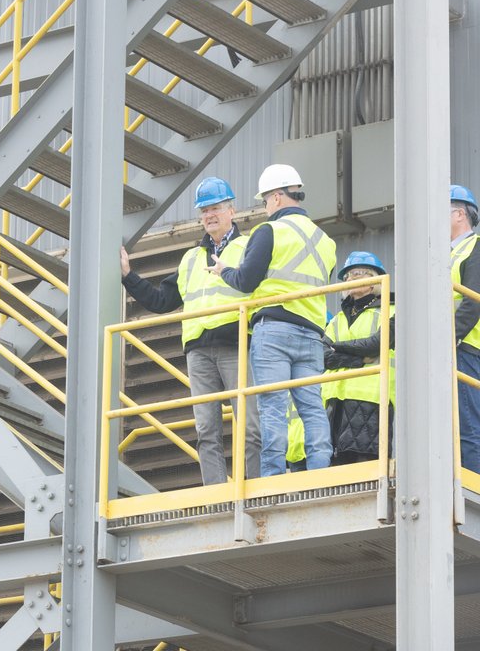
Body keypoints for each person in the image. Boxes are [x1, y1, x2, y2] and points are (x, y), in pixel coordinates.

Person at [120, 176, 261, 484]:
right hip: (198, 351)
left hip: (236, 345)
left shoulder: (249, 247)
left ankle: (258, 488)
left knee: (250, 425)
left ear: (232, 211)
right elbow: (161, 301)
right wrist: (129, 276)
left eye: (215, 208)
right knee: (206, 430)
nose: (209, 215)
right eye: (204, 211)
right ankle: (215, 495)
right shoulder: (191, 259)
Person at [209, 164, 335, 476]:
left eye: (265, 200)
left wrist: (223, 271)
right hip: (312, 334)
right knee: (311, 406)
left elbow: (246, 281)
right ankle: (321, 469)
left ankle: (273, 476)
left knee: (273, 406)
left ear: (277, 197)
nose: (265, 207)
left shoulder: (269, 231)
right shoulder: (325, 240)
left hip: (274, 331)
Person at [321, 251, 396, 465]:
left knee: (367, 463)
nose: (350, 279)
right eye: (347, 276)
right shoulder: (337, 319)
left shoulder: (390, 311)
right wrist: (358, 360)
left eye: (359, 274)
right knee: (337, 465)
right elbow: (322, 356)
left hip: (372, 398)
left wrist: (337, 348)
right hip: (336, 400)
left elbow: (375, 344)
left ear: (375, 280)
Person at [451, 184, 480, 473]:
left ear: (459, 214)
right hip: (453, 348)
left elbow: (473, 302)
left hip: (465, 348)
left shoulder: (475, 247)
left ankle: (474, 490)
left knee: (469, 427)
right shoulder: (447, 254)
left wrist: (447, 337)